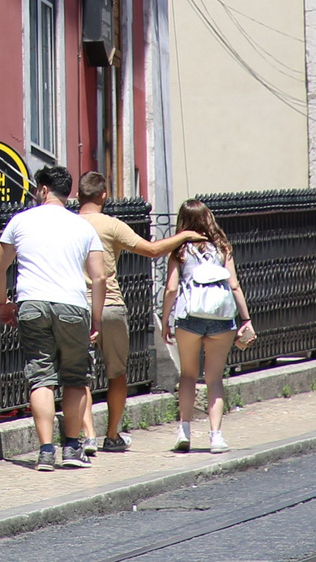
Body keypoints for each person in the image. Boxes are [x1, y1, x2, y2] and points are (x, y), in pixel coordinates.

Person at [76, 171, 200, 453]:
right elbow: (152, 250)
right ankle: (112, 434)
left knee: (78, 375)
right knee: (117, 373)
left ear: (79, 195)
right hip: (110, 305)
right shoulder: (112, 225)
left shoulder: (67, 225)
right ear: (104, 196)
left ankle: (88, 435)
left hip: (78, 306)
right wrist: (184, 235)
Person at [0, 164, 108, 470]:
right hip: (72, 305)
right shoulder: (83, 227)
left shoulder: (20, 221)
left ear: (43, 190)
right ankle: (71, 447)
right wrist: (96, 320)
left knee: (41, 378)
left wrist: (4, 303)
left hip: (31, 302)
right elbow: (99, 277)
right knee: (74, 378)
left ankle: (45, 452)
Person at [161, 199, 255, 453]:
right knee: (214, 378)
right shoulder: (222, 248)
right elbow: (234, 285)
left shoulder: (179, 250)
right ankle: (216, 437)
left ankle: (184, 431)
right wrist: (245, 319)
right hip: (221, 319)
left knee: (188, 375)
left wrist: (165, 320)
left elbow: (171, 289)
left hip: (189, 318)